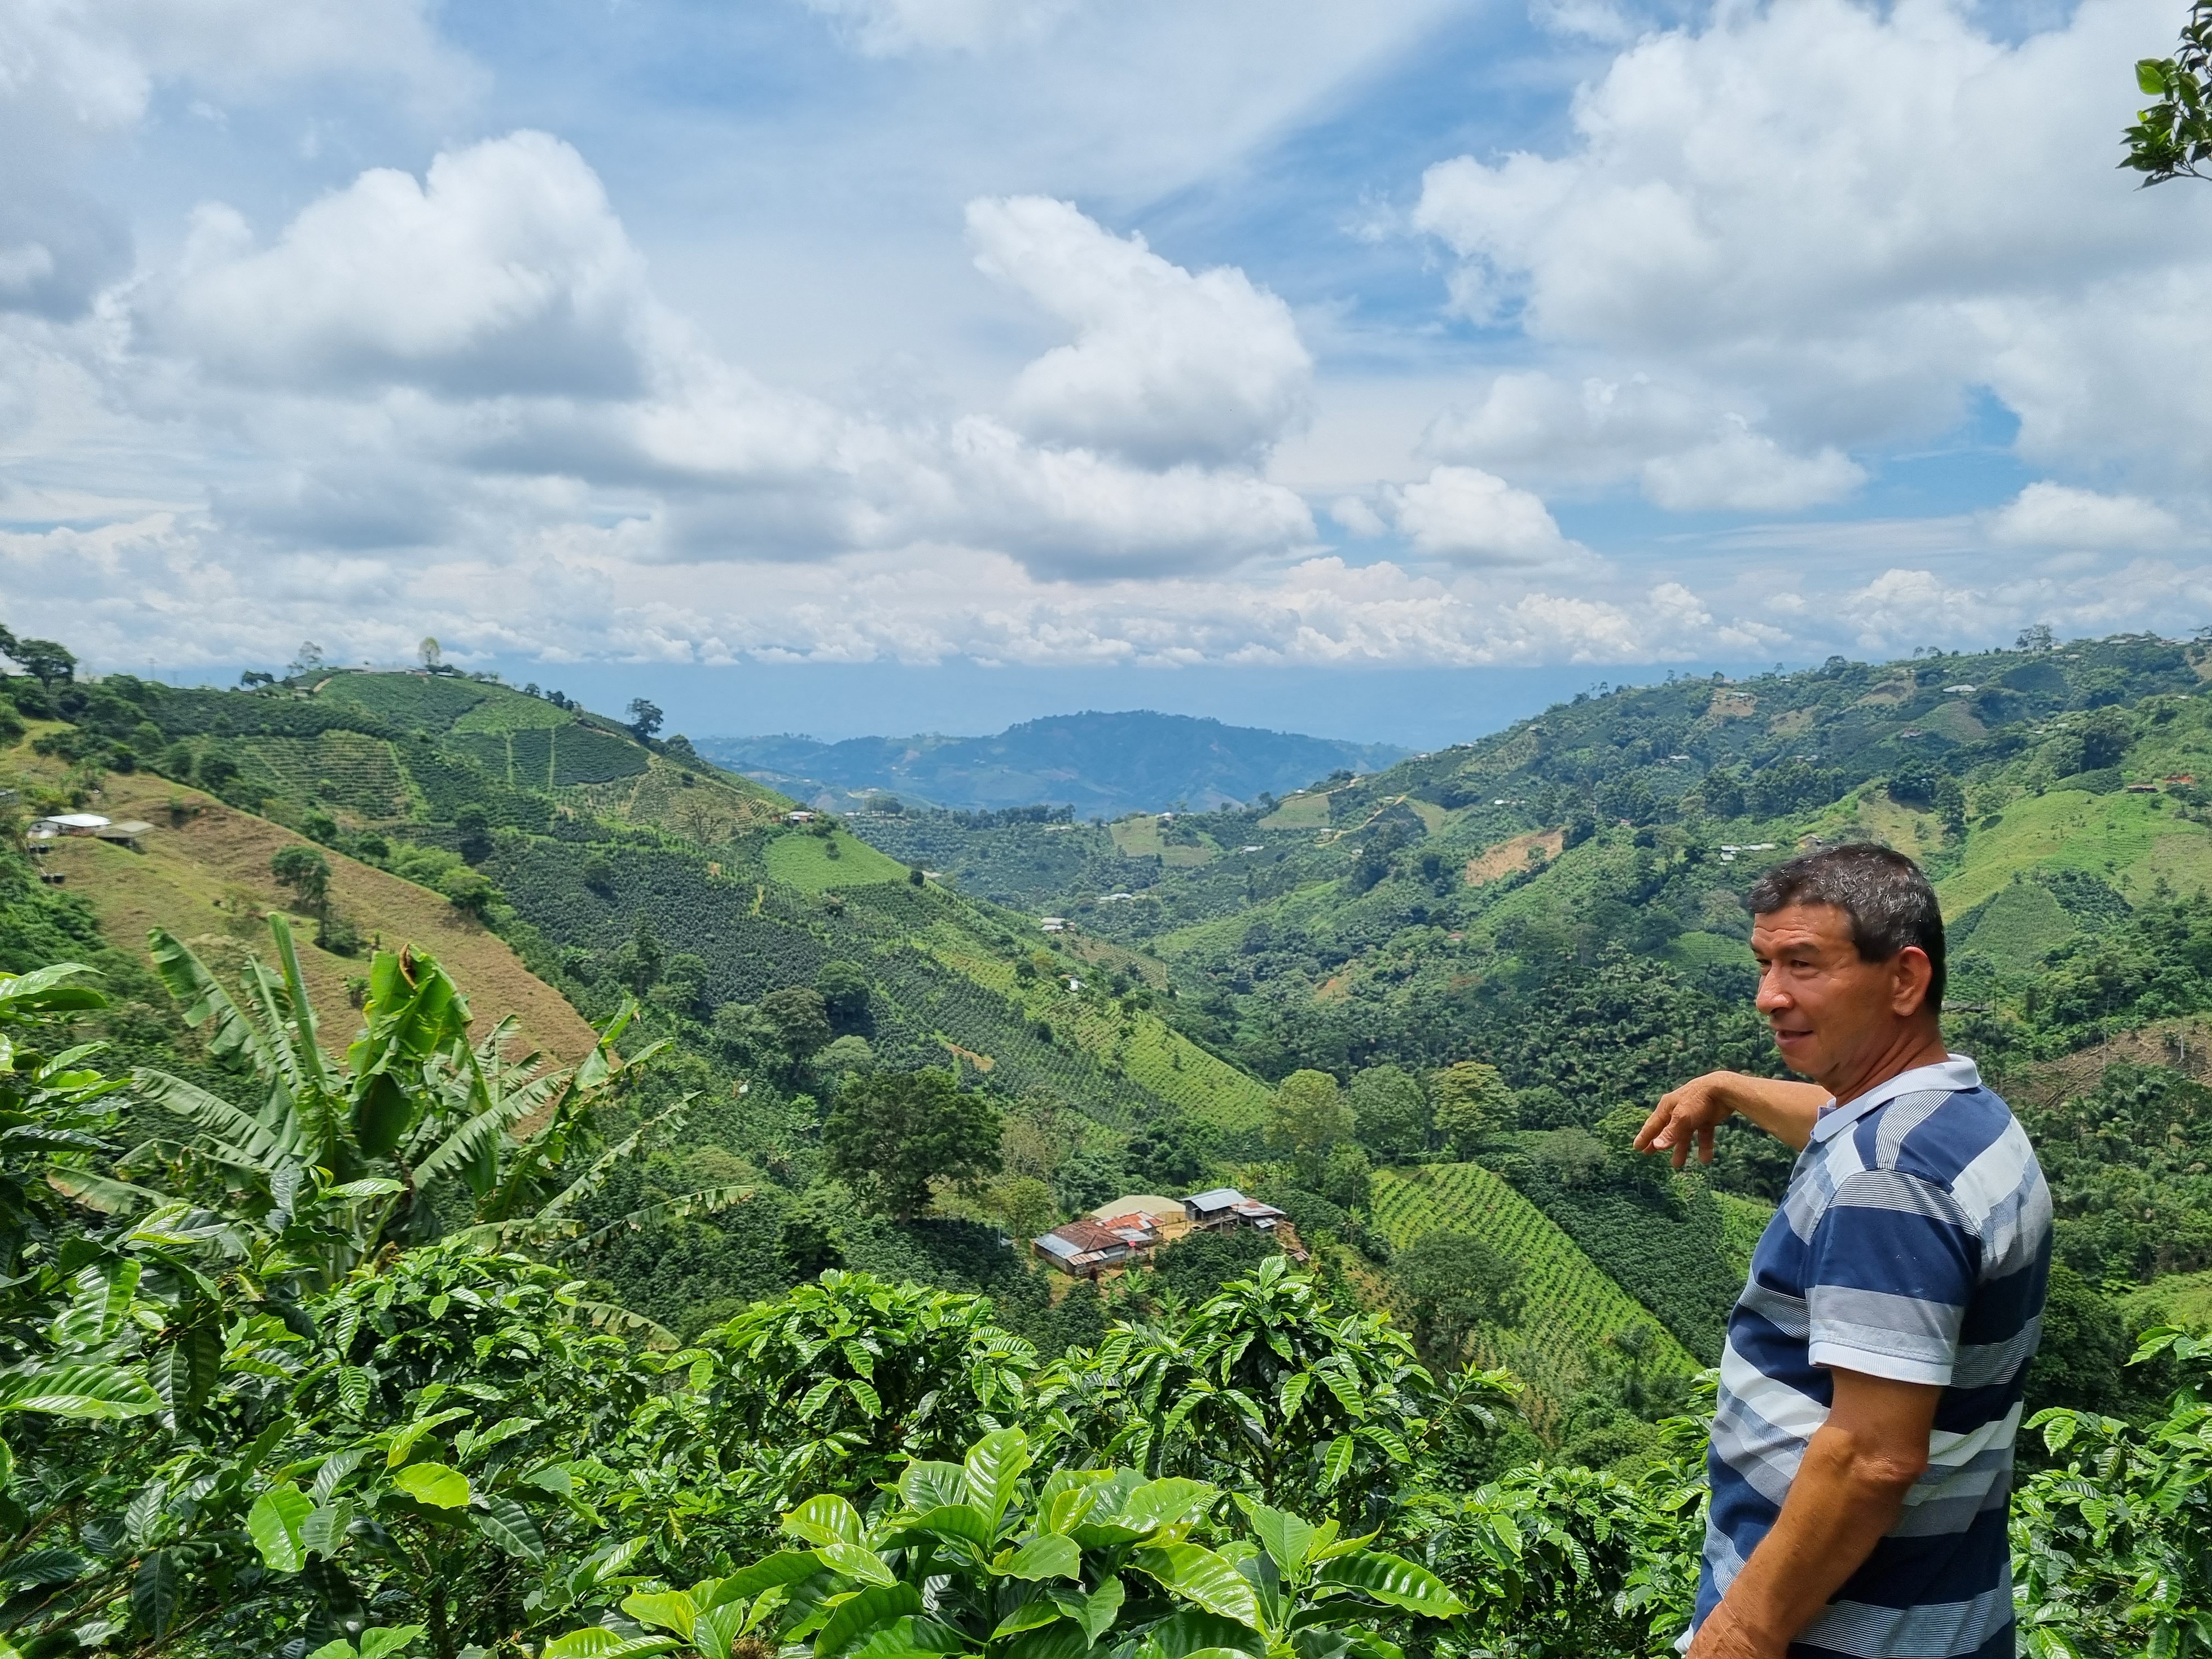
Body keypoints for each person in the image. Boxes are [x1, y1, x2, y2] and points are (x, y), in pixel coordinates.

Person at [1634, 843, 2049, 1659]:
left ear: (1904, 979)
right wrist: (1726, 1088)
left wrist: (1740, 1637)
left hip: (1840, 1630)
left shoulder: (1890, 1184)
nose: (1769, 997)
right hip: (1940, 1607)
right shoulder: (1960, 1119)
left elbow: (1871, 1459)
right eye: (1764, 964)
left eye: (1804, 964)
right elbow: (1836, 1120)